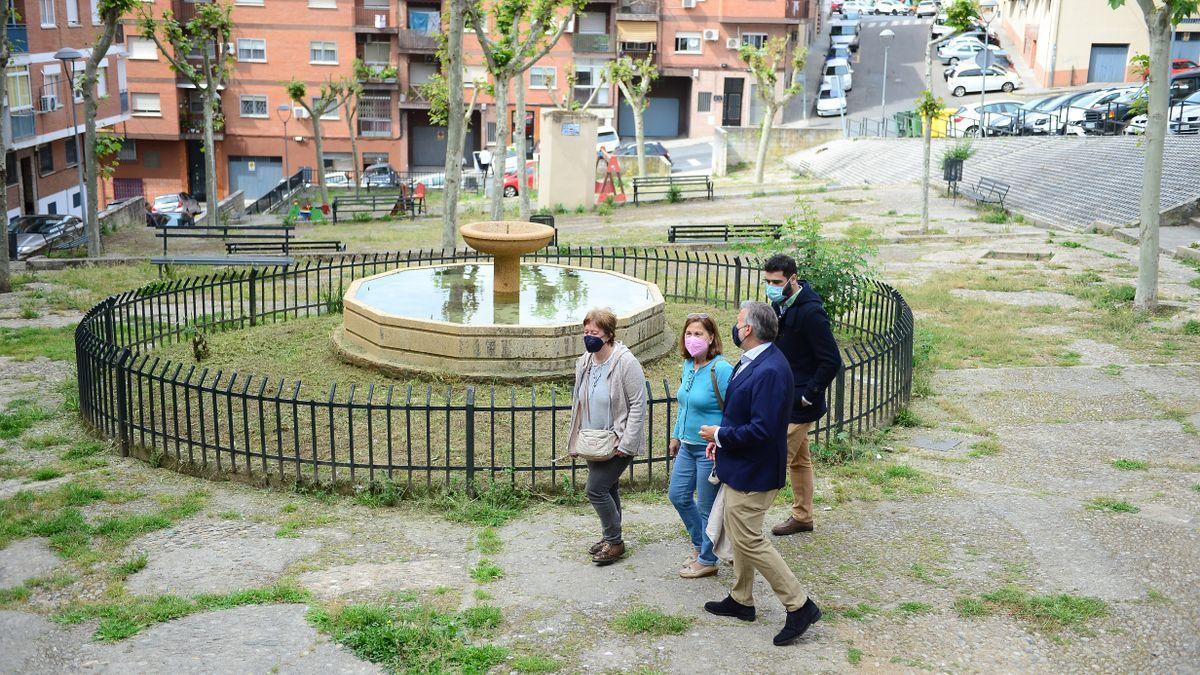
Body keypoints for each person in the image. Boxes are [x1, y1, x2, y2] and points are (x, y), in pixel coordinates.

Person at [699, 302, 822, 647]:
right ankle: (741, 599)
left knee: (750, 540)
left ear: (749, 329)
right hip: (742, 464)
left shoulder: (768, 369)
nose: (735, 327)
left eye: (738, 322)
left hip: (755, 472)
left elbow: (764, 429)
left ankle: (799, 605)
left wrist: (720, 436)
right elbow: (741, 412)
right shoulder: (755, 359)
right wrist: (721, 443)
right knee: (740, 537)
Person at [762, 254, 843, 537]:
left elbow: (831, 360)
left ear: (793, 279)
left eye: (777, 282)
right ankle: (803, 516)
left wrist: (809, 396)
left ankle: (745, 521)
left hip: (799, 404)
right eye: (768, 281)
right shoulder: (780, 304)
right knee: (800, 460)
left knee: (772, 458)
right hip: (784, 396)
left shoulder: (811, 312)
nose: (771, 286)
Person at [566, 308, 647, 566]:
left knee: (596, 489)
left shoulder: (626, 363)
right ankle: (609, 537)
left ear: (609, 334)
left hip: (617, 440)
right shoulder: (585, 362)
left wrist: (627, 442)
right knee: (609, 488)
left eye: (595, 332)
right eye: (586, 331)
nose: (589, 337)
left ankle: (615, 541)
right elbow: (578, 402)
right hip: (593, 439)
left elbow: (637, 404)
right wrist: (576, 437)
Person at [668, 314, 733, 579]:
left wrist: (721, 440)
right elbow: (684, 405)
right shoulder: (687, 365)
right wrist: (675, 435)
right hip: (686, 445)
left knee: (707, 507)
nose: (692, 339)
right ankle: (700, 544)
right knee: (678, 496)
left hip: (709, 449)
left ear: (711, 338)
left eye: (698, 334)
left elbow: (734, 410)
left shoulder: (722, 369)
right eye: (688, 334)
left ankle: (708, 558)